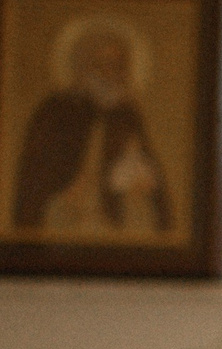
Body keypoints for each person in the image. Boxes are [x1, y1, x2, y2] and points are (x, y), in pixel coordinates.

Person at [10, 24, 170, 237]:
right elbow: (35, 172)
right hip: (62, 214)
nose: (108, 73)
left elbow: (148, 171)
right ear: (83, 66)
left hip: (113, 219)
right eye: (100, 64)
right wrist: (67, 187)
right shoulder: (55, 108)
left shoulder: (127, 114)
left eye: (116, 65)